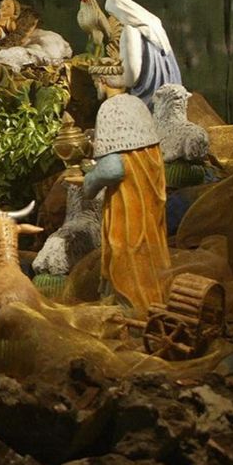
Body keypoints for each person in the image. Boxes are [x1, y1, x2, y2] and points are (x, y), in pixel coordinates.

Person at [66, 61, 171, 314]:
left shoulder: (110, 108)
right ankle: (153, 305)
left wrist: (89, 182)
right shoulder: (137, 105)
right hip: (149, 203)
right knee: (149, 257)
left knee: (127, 259)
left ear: (102, 82)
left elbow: (113, 168)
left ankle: (131, 312)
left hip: (128, 206)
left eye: (96, 83)